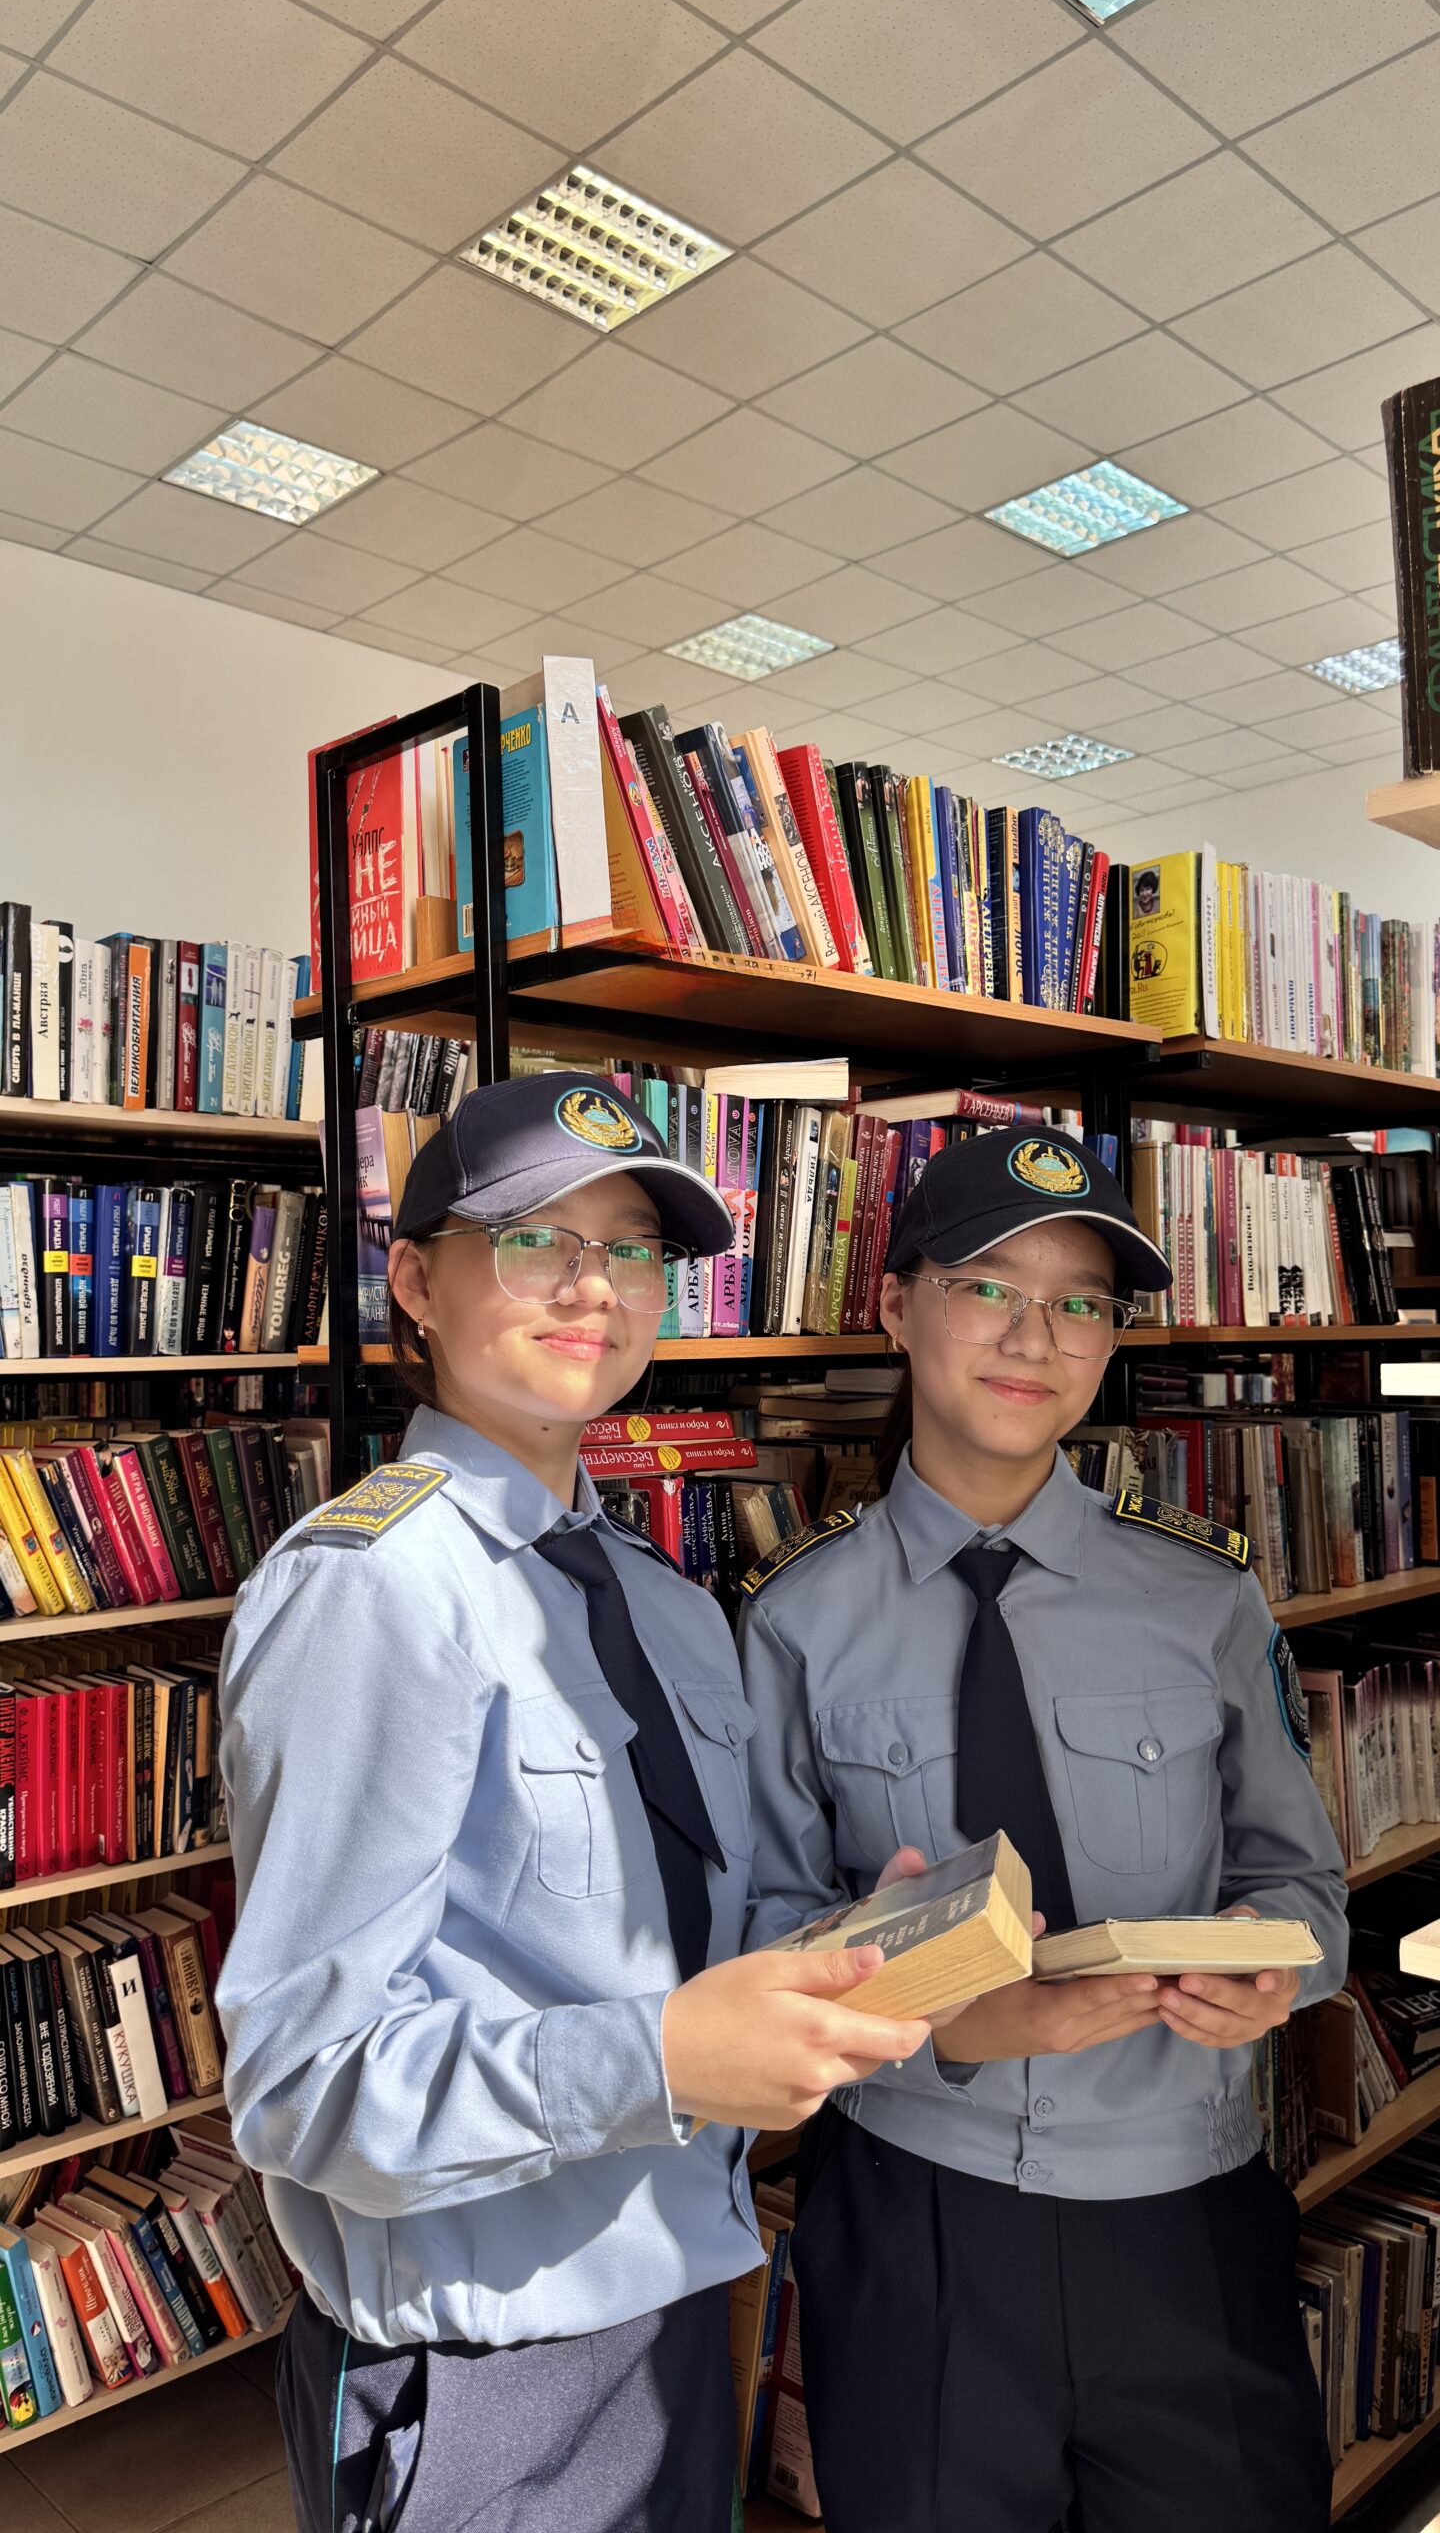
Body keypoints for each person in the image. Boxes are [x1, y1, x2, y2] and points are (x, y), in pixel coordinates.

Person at [216, 1071, 932, 2533]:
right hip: (478, 2376)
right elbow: (304, 2086)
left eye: (632, 1251)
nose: (593, 1286)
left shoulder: (669, 1604)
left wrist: (853, 1947)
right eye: (534, 1239)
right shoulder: (375, 1590)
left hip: (676, 2305)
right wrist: (661, 2061)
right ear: (416, 1283)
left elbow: (679, 1932)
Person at [740, 1123, 1348, 2533]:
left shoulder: (1203, 1598)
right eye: (989, 1287)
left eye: (1082, 1302)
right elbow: (762, 1937)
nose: (1037, 1337)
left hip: (1184, 2206)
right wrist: (946, 2012)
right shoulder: (794, 1620)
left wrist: (1277, 1968)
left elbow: (1304, 1886)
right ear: (896, 1305)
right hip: (916, 2209)